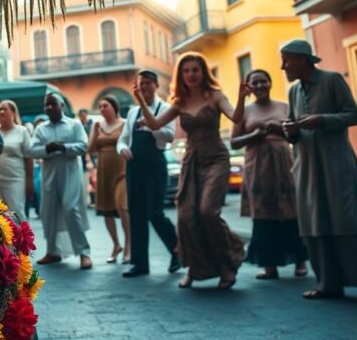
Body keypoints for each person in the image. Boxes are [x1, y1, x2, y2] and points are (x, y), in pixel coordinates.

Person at [280, 39, 357, 307]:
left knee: (348, 221)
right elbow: (295, 130)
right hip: (306, 165)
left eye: (287, 60)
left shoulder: (332, 80)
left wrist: (323, 119)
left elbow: (354, 116)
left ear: (302, 60)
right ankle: (328, 283)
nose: (283, 66)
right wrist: (290, 131)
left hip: (336, 163)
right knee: (314, 224)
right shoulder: (294, 91)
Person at [137, 52, 248, 289]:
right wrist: (142, 102)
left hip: (216, 157)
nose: (191, 74)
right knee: (187, 217)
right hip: (192, 160)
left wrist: (241, 97)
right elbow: (155, 124)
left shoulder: (215, 95)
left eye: (195, 70)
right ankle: (195, 269)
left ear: (203, 72)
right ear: (181, 74)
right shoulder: (180, 102)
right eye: (186, 71)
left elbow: (237, 116)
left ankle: (229, 263)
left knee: (208, 211)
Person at [230, 69, 308, 280]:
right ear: (249, 87)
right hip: (257, 164)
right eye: (255, 83)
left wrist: (279, 128)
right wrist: (254, 135)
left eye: (263, 81)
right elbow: (234, 142)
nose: (260, 86)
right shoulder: (244, 111)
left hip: (284, 162)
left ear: (270, 83)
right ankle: (269, 264)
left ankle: (300, 261)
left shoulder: (284, 106)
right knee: (263, 213)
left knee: (291, 209)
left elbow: (297, 133)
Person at [117, 69, 180, 278]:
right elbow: (123, 138)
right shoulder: (133, 112)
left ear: (156, 85)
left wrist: (152, 126)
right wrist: (122, 149)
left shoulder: (166, 108)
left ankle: (177, 251)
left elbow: (170, 136)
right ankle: (139, 263)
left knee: (155, 212)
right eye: (140, 84)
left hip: (155, 165)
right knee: (136, 214)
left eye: (147, 84)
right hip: (134, 166)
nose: (143, 87)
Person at [29, 94, 92, 269]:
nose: (49, 108)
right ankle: (53, 251)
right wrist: (48, 148)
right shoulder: (41, 129)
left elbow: (84, 146)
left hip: (70, 172)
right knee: (48, 211)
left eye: (53, 104)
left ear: (62, 105)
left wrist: (64, 147)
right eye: (46, 105)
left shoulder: (75, 125)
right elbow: (32, 150)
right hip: (49, 173)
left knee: (71, 209)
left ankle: (84, 252)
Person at [88, 96, 129, 264]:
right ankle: (116, 245)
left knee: (122, 207)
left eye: (105, 105)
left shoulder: (125, 123)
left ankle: (128, 246)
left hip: (122, 170)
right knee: (105, 209)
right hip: (104, 170)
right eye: (100, 106)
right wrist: (94, 131)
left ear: (114, 106)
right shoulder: (98, 126)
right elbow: (90, 149)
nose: (102, 109)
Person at [0, 100, 33, 222]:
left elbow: (29, 157)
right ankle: (4, 241)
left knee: (16, 212)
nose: (1, 111)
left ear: (14, 113)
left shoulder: (22, 131)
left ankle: (24, 240)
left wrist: (29, 181)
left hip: (15, 179)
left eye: (5, 109)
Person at [78, 108, 95, 208]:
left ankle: (90, 200)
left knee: (91, 179)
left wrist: (89, 157)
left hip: (89, 156)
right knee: (85, 179)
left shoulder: (90, 125)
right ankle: (86, 200)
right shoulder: (79, 125)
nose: (83, 117)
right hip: (82, 156)